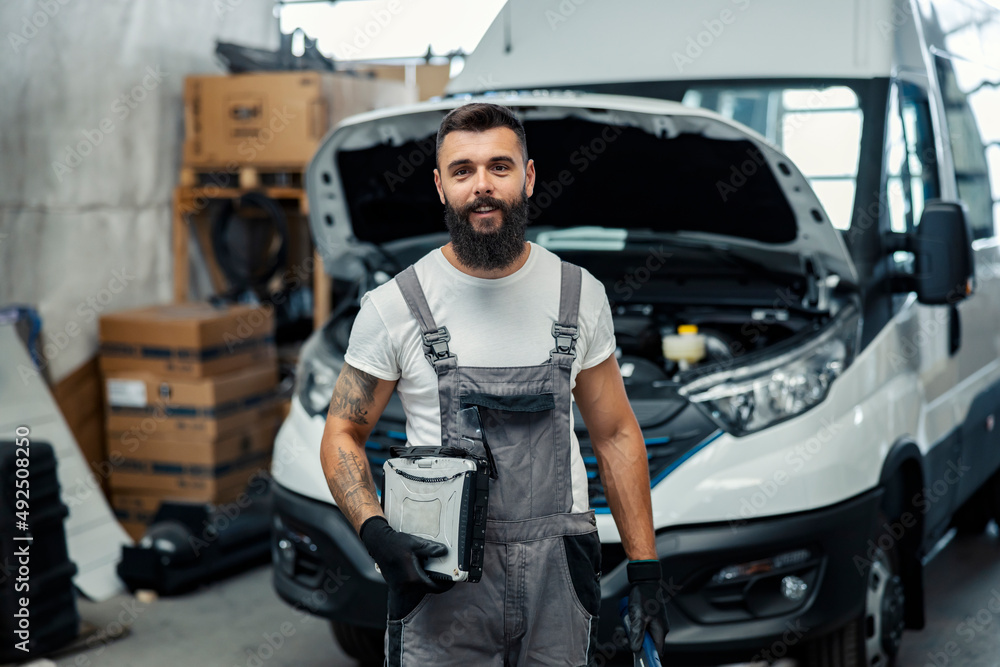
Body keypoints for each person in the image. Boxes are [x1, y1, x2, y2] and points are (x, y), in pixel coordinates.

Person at [319, 102, 668, 666]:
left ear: (528, 177)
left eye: (499, 167)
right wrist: (377, 534)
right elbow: (341, 433)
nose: (482, 185)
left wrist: (646, 568)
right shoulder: (394, 307)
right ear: (440, 186)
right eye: (463, 171)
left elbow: (616, 434)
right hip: (441, 573)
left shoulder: (578, 295)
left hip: (559, 570)